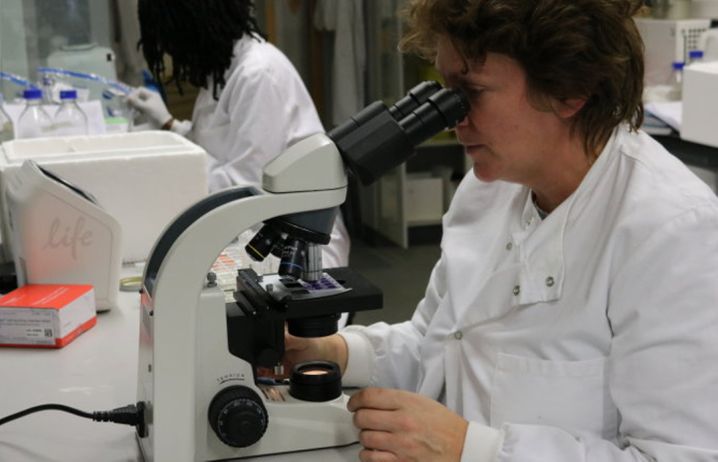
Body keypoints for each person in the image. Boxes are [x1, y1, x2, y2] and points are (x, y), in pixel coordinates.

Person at [284, 0, 718, 460]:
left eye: (470, 92)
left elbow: (678, 455)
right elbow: (441, 344)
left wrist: (470, 449)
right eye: (444, 91)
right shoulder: (488, 189)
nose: (453, 119)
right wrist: (329, 349)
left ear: (569, 91)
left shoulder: (672, 233)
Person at [126, 0, 350, 269]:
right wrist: (168, 124)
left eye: (171, 38)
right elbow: (214, 145)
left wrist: (168, 173)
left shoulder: (258, 73)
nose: (171, 51)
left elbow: (247, 186)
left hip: (296, 250)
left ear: (193, 25)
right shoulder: (222, 66)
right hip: (253, 235)